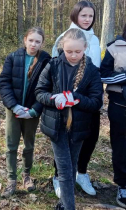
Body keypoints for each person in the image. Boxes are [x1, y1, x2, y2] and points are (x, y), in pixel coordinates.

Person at [35, 28, 103, 210]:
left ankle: (63, 204)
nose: (73, 55)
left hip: (79, 128)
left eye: (78, 52)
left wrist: (77, 100)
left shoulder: (92, 71)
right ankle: (69, 207)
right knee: (64, 170)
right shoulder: (53, 65)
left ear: (85, 48)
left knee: (72, 166)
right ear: (62, 48)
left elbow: (97, 102)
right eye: (69, 51)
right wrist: (53, 99)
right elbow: (39, 92)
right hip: (56, 126)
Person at [52, 0, 101, 197]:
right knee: (63, 138)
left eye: (90, 16)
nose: (87, 19)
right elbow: (56, 68)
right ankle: (59, 176)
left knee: (90, 136)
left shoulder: (95, 39)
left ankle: (81, 173)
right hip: (66, 97)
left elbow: (95, 68)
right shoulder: (64, 37)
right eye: (84, 15)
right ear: (75, 16)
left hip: (88, 97)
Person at [0, 27, 51, 198]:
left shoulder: (46, 60)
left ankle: (26, 175)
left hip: (31, 111)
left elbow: (47, 87)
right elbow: (4, 82)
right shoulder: (13, 57)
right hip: (13, 109)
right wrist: (13, 106)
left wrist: (35, 110)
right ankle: (11, 179)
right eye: (31, 40)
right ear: (25, 40)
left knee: (29, 145)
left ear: (42, 43)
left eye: (37, 41)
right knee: (11, 145)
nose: (33, 44)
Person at [100, 23, 126, 208]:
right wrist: (123, 76)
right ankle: (123, 186)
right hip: (120, 106)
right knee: (121, 146)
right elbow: (103, 75)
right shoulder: (114, 47)